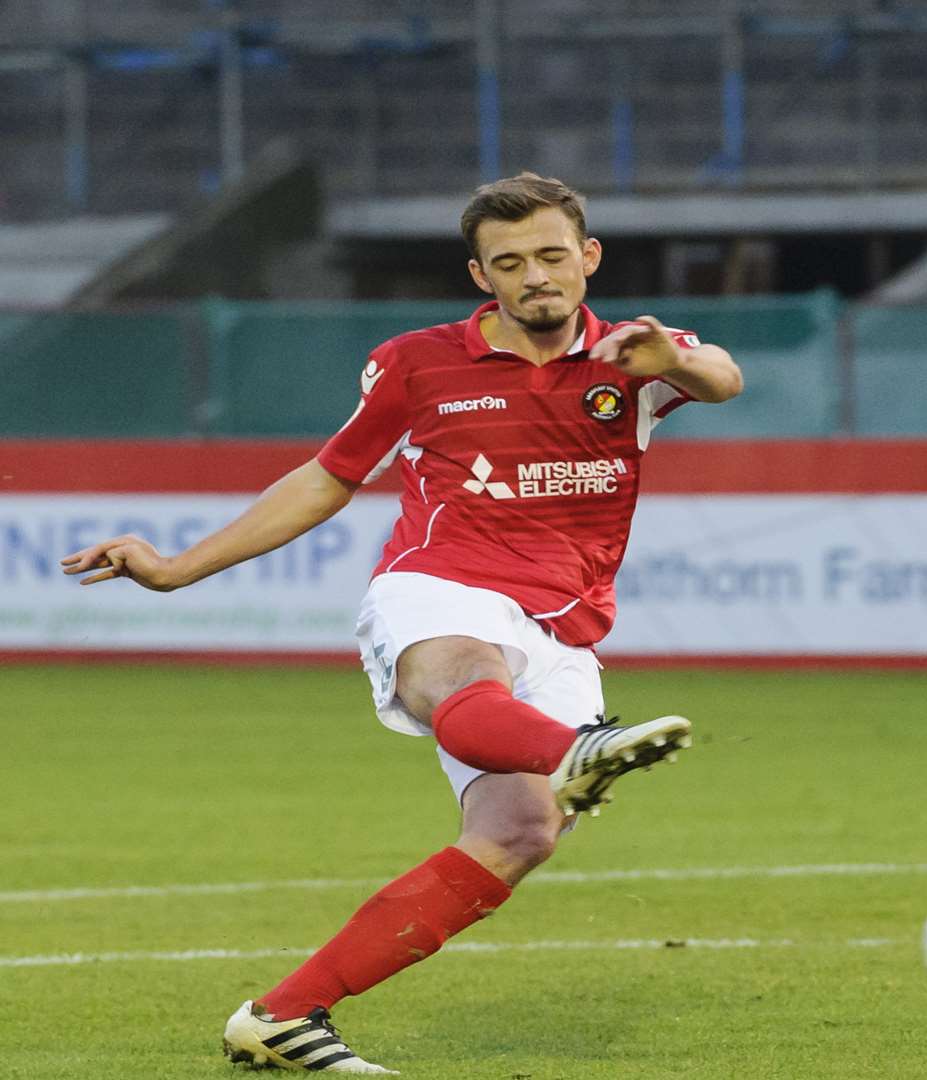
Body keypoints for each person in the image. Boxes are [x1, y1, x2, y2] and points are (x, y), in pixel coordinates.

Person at [61, 172, 743, 1073]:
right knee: (458, 674)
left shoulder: (636, 355)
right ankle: (572, 750)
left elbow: (724, 377)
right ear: (481, 276)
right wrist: (179, 568)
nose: (536, 276)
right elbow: (326, 478)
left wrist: (676, 365)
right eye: (511, 263)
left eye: (551, 256)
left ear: (588, 258)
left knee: (520, 835)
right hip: (440, 582)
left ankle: (283, 1017)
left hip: (562, 626)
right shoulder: (418, 362)